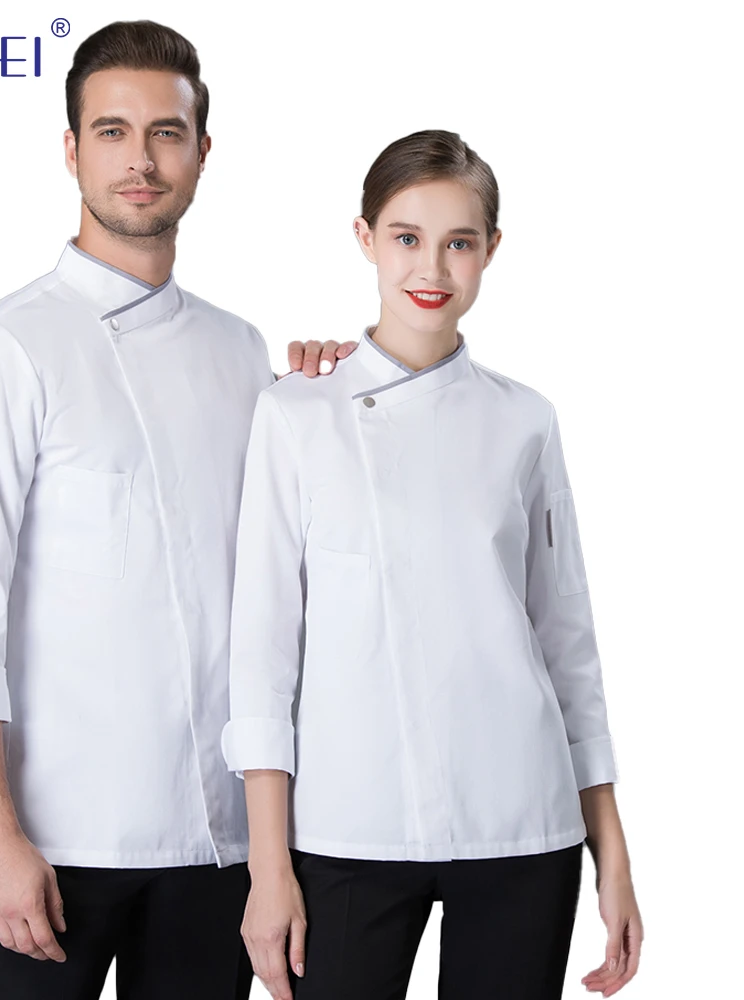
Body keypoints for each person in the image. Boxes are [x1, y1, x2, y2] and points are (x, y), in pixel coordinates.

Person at [0, 20, 355, 1000]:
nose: (140, 160)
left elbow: (278, 571)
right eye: (112, 132)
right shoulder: (4, 346)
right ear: (71, 150)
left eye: (166, 132)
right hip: (57, 842)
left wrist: (329, 399)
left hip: (222, 843)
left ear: (202, 152)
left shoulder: (241, 349)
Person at [222, 129, 644, 1000]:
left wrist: (613, 855)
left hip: (522, 823)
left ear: (492, 249)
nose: (432, 267)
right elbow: (262, 655)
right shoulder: (296, 414)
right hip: (348, 825)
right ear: (365, 238)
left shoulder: (526, 420)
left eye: (459, 242)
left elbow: (567, 643)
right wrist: (269, 868)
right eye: (407, 237)